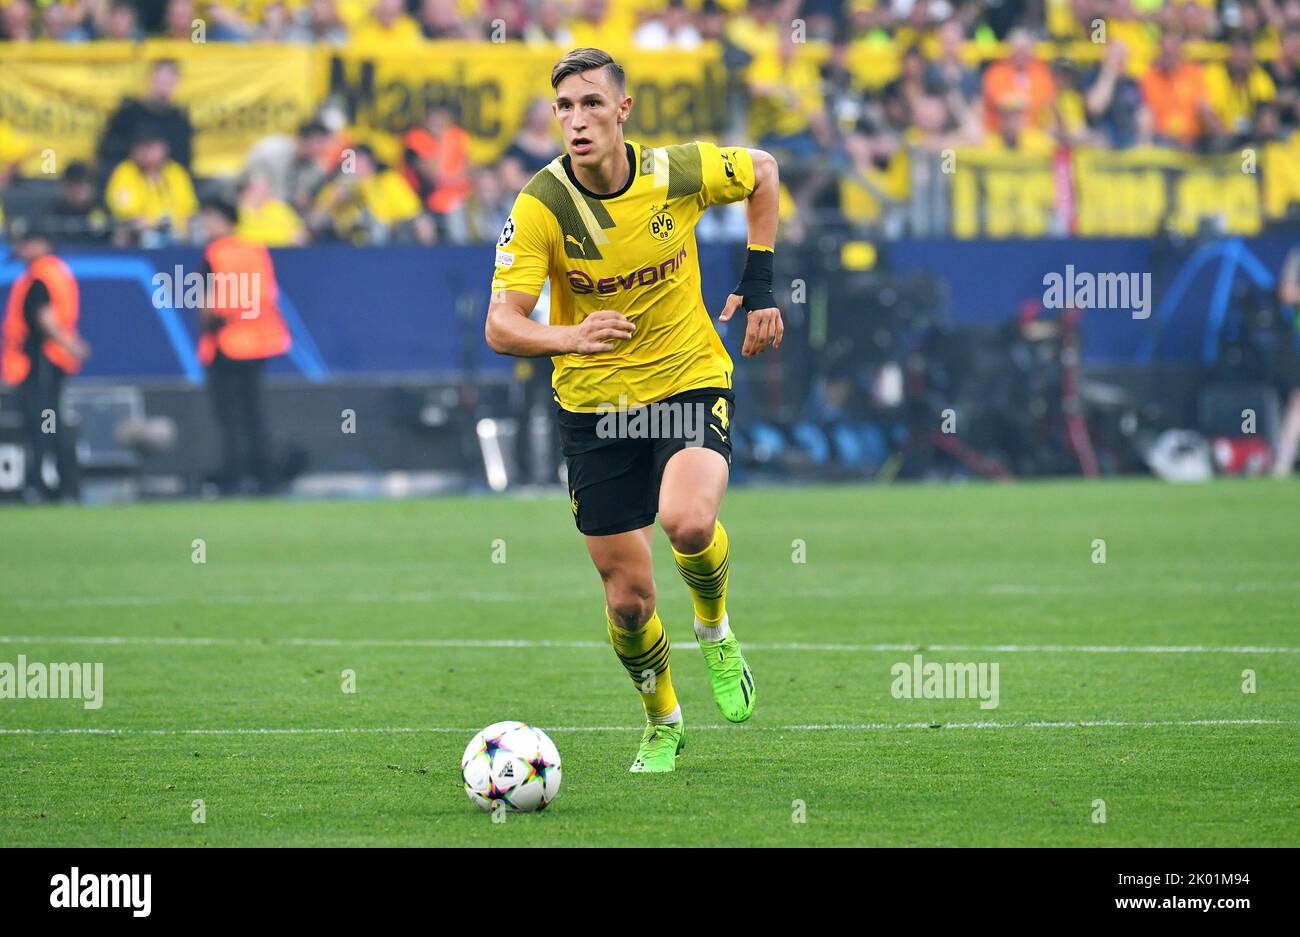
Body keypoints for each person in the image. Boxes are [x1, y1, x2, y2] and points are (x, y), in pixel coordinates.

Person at [485, 48, 782, 774]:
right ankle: (664, 721)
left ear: (623, 111)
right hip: (595, 408)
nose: (577, 120)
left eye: (591, 104)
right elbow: (500, 324)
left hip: (686, 379)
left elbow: (765, 170)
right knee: (627, 601)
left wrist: (763, 282)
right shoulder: (540, 206)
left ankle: (713, 627)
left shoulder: (675, 172)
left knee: (688, 520)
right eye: (564, 108)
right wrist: (570, 335)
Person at [196, 198, 292, 495]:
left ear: (224, 220)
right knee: (255, 412)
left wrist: (209, 320)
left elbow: (207, 303)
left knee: (230, 415)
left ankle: (234, 476)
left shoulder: (215, 254)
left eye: (210, 218)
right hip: (261, 341)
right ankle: (266, 476)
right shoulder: (256, 250)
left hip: (228, 341)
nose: (206, 225)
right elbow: (268, 293)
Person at [1, 230, 90, 501]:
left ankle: (43, 483)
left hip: (41, 363)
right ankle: (65, 483)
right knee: (52, 422)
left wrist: (67, 343)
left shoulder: (39, 276)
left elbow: (45, 317)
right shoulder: (57, 272)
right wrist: (71, 345)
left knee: (44, 423)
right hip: (52, 362)